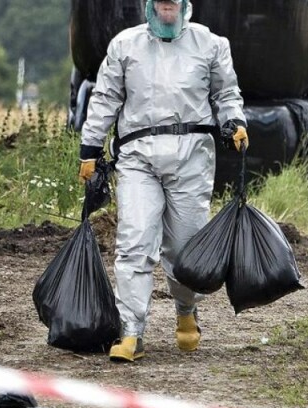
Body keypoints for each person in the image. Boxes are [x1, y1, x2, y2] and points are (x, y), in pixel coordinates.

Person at [77, 0, 248, 362]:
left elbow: (226, 92)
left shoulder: (211, 44)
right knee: (135, 242)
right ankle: (132, 331)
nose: (167, 11)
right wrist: (90, 148)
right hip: (138, 158)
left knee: (184, 248)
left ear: (186, 6)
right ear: (150, 6)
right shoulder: (125, 46)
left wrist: (234, 120)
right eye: (161, 4)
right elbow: (106, 97)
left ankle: (186, 310)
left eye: (173, 5)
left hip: (191, 157)